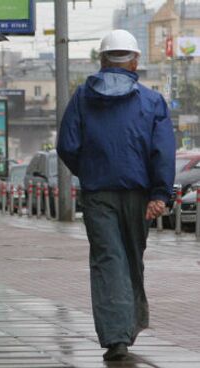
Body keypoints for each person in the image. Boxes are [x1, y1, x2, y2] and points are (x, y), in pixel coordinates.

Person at [56, 29, 175, 361]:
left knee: (109, 260)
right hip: (140, 195)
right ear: (135, 61)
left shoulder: (82, 96)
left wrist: (92, 169)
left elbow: (67, 145)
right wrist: (160, 194)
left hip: (98, 194)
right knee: (130, 258)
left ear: (102, 60)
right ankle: (126, 328)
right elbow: (162, 152)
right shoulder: (152, 101)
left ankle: (117, 334)